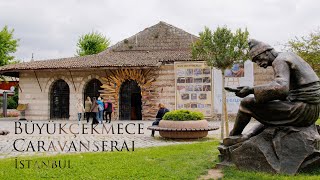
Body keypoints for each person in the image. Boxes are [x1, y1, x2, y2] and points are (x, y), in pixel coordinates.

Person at [224, 39, 320, 145]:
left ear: (266, 51)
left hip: (302, 110)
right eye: (255, 61)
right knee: (267, 113)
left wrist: (251, 90)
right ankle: (248, 135)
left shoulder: (279, 60)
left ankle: (234, 136)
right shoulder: (288, 55)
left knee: (246, 103)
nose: (258, 63)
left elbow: (281, 88)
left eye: (258, 59)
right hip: (312, 110)